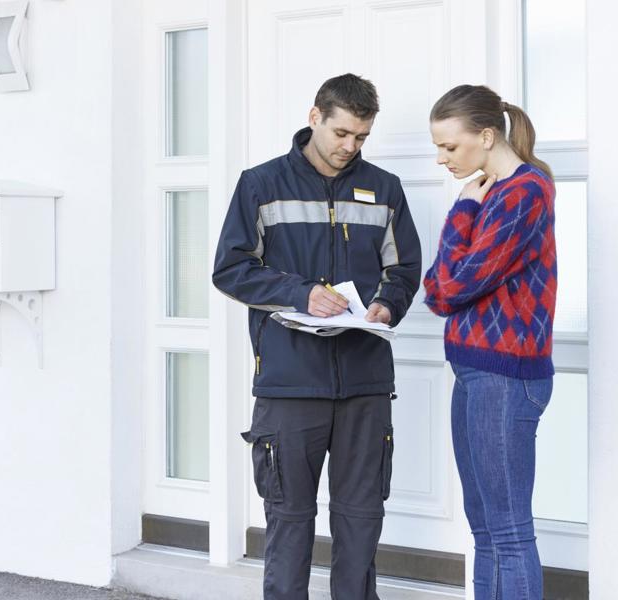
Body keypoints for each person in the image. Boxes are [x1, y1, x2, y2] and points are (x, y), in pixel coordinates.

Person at [213, 73, 421, 600]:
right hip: (288, 385)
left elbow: (404, 270)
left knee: (360, 520)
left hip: (365, 384)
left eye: (361, 138)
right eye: (342, 134)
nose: (350, 148)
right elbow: (230, 269)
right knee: (289, 521)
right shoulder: (260, 185)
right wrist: (299, 292)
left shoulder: (386, 189)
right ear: (315, 118)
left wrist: (385, 304)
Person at [423, 84, 557, 600]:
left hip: (505, 378)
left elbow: (449, 287)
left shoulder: (525, 191)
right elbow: (438, 287)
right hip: (476, 373)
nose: (442, 159)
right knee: (484, 529)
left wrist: (460, 212)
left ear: (485, 135)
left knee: (507, 529)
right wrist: (467, 213)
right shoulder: (493, 194)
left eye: (450, 147)